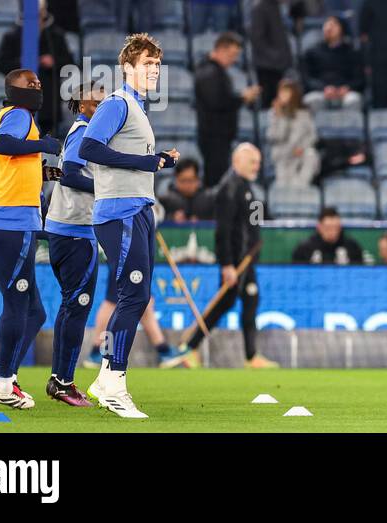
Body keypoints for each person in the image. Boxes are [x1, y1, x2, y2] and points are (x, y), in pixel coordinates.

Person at [79, 34, 179, 419]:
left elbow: (130, 157)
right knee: (133, 297)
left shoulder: (136, 106)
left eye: (157, 64)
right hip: (119, 211)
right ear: (127, 67)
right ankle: (113, 382)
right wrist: (143, 162)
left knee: (136, 296)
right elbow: (89, 148)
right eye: (147, 64)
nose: (154, 70)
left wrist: (158, 160)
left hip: (137, 209)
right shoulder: (117, 103)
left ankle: (107, 379)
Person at [0, 69, 60, 410]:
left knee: (33, 311)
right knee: (18, 305)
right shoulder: (20, 115)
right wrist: (43, 145)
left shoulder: (4, 117)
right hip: (11, 221)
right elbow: (3, 145)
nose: (37, 87)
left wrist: (39, 171)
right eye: (30, 83)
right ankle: (4, 383)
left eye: (39, 83)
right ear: (13, 89)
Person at [175, 143, 278, 369]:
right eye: (252, 162)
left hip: (245, 260)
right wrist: (228, 264)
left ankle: (248, 356)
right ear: (237, 161)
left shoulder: (245, 187)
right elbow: (223, 230)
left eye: (259, 162)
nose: (257, 166)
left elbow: (249, 223)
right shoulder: (229, 188)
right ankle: (192, 347)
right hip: (236, 261)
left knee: (245, 302)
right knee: (227, 303)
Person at [43, 82, 105, 407]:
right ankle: (63, 383)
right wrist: (107, 188)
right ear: (83, 105)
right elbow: (69, 174)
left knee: (70, 306)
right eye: (97, 102)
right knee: (77, 305)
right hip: (74, 231)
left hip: (65, 229)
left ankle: (60, 379)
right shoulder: (84, 133)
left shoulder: (82, 133)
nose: (102, 108)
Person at [0, 1, 74, 135]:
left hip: (49, 102)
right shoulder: (12, 36)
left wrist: (53, 62)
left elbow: (70, 63)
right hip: (19, 99)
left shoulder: (55, 36)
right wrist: (22, 63)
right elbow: (2, 64)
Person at [195, 32, 260, 188]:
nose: (234, 59)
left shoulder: (215, 71)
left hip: (219, 137)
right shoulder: (209, 72)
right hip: (214, 137)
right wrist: (242, 98)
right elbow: (216, 101)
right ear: (221, 49)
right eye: (232, 54)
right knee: (216, 181)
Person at [301, 15, 365, 111]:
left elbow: (360, 79)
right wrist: (323, 88)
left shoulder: (352, 52)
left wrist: (347, 88)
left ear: (342, 29)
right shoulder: (312, 52)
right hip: (321, 92)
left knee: (353, 100)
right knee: (313, 99)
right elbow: (307, 79)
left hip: (345, 92)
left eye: (334, 24)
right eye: (327, 24)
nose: (328, 28)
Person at [267, 79, 320, 187]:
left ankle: (302, 186)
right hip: (282, 153)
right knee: (283, 183)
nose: (283, 95)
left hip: (300, 151)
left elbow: (312, 135)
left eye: (286, 92)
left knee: (311, 155)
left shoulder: (304, 113)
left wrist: (302, 147)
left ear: (294, 94)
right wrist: (279, 116)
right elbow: (274, 136)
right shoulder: (274, 113)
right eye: (281, 92)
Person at [249, 0, 293, 107]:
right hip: (266, 66)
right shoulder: (260, 8)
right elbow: (256, 38)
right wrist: (275, 55)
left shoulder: (277, 7)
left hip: (280, 64)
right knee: (270, 103)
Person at [292, 207, 364, 264]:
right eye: (328, 228)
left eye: (336, 228)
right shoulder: (304, 248)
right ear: (319, 227)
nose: (332, 232)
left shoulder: (352, 247)